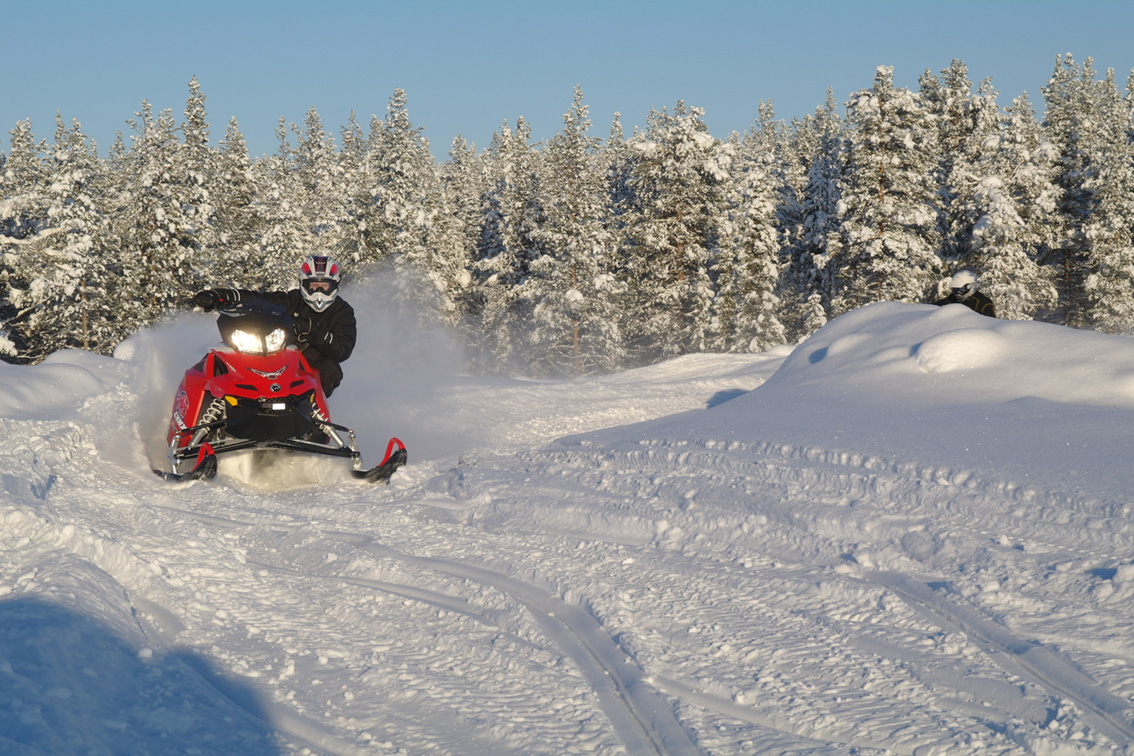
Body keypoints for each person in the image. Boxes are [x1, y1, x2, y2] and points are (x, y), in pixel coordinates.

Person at [192, 254, 357, 397]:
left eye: (324, 286)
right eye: (313, 286)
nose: (318, 291)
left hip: (307, 365)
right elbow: (257, 299)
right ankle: (197, 403)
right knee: (218, 357)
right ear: (303, 284)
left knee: (331, 369)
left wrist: (313, 331)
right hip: (272, 355)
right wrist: (219, 296)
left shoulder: (342, 311)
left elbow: (343, 349)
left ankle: (314, 415)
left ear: (334, 286)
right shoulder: (291, 299)